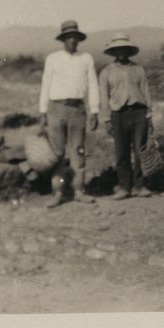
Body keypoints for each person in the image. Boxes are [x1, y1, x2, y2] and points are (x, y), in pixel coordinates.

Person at [39, 20, 99, 208]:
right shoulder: (53, 59)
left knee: (78, 150)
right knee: (57, 152)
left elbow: (93, 84)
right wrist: (42, 111)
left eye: (75, 37)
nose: (72, 40)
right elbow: (45, 84)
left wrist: (94, 110)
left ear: (79, 39)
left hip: (77, 109)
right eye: (68, 37)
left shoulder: (86, 58)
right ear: (63, 39)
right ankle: (58, 192)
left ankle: (79, 190)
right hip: (56, 109)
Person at [98, 33, 154, 200]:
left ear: (129, 50)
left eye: (124, 48)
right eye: (117, 49)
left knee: (140, 150)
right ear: (113, 52)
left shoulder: (138, 69)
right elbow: (104, 98)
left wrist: (149, 115)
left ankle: (140, 185)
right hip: (118, 115)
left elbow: (146, 92)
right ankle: (124, 187)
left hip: (139, 113)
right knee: (121, 152)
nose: (121, 52)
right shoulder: (106, 72)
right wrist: (106, 119)